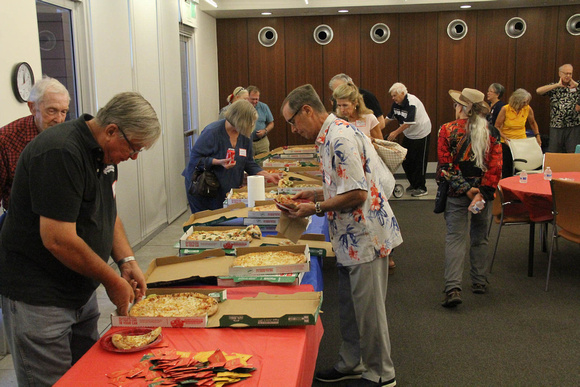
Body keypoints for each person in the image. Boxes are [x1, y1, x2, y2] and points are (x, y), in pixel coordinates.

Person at [0, 92, 160, 386]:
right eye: (134, 147)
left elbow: (107, 214)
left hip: (79, 291)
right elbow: (58, 240)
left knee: (87, 376)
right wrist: (112, 281)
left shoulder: (106, 153)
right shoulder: (61, 153)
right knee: (51, 381)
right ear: (112, 130)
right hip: (40, 297)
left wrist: (127, 260)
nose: (134, 156)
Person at [281, 84, 402, 387]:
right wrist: (316, 191)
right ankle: (352, 361)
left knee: (370, 311)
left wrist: (316, 206)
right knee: (351, 307)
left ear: (307, 110)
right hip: (349, 237)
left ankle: (381, 374)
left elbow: (357, 193)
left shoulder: (339, 137)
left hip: (365, 236)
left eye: (293, 121)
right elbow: (346, 183)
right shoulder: (330, 134)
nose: (293, 129)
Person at [437, 88, 502, 308]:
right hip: (483, 195)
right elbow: (496, 167)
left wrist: (466, 189)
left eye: (456, 104)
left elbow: (446, 167)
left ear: (462, 108)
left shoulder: (446, 130)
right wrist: (481, 192)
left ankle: (453, 287)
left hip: (457, 193)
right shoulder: (492, 132)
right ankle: (479, 281)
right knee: (480, 236)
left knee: (455, 238)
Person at [183, 99, 279, 213]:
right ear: (240, 120)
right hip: (204, 188)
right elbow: (195, 160)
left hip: (227, 189)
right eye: (250, 122)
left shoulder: (244, 134)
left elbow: (248, 162)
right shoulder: (212, 132)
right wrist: (218, 162)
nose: (252, 126)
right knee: (209, 223)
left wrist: (266, 175)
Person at [0, 76, 70, 210]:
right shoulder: (5, 139)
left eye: (63, 112)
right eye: (52, 111)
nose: (59, 119)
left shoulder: (69, 138)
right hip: (22, 222)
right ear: (32, 107)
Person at [385, 82, 432, 197]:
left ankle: (421, 187)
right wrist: (375, 127)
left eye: (395, 95)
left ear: (402, 93)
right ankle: (414, 184)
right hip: (409, 135)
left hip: (421, 134)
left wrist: (395, 133)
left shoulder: (411, 102)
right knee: (405, 159)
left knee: (419, 162)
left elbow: (408, 123)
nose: (393, 98)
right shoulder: (396, 104)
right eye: (392, 96)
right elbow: (388, 118)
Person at [495, 88, 541, 177]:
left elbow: (532, 123)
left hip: (521, 142)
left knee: (522, 166)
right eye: (523, 102)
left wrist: (537, 136)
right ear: (516, 101)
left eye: (527, 102)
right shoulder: (505, 109)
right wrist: (504, 137)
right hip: (507, 142)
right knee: (507, 167)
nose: (526, 104)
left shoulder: (527, 108)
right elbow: (496, 127)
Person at [536, 64, 580, 153]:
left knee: (572, 152)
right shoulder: (554, 87)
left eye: (570, 74)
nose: (568, 76)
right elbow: (538, 91)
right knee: (554, 151)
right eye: (566, 73)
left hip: (573, 125)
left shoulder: (577, 86)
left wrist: (577, 85)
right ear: (560, 74)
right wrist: (557, 85)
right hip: (556, 125)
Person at [247, 85, 274, 155]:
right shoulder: (242, 108)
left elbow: (271, 123)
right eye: (252, 99)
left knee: (264, 163)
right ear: (247, 97)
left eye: (257, 99)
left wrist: (265, 131)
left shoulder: (263, 107)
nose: (255, 101)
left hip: (262, 142)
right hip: (247, 142)